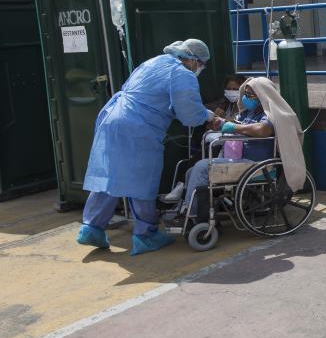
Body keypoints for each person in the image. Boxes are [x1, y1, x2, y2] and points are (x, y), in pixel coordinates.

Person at [77, 39, 215, 256]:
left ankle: (92, 227)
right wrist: (209, 116)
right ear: (192, 59)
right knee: (141, 179)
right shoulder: (182, 73)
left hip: (113, 119)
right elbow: (189, 114)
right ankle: (145, 235)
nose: (200, 69)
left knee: (110, 175)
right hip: (138, 127)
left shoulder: (154, 62)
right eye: (201, 64)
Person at [174, 80, 275, 220]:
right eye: (245, 94)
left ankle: (193, 214)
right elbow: (234, 122)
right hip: (238, 159)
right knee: (191, 171)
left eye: (250, 95)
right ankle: (188, 207)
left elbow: (263, 130)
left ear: (261, 96)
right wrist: (220, 123)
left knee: (201, 167)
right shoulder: (248, 113)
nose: (245, 97)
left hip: (254, 163)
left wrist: (235, 128)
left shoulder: (269, 113)